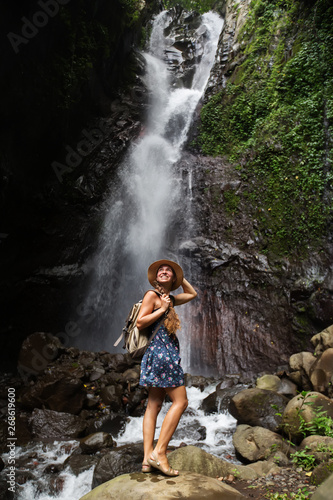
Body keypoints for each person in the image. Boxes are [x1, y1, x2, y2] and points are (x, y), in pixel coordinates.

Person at [137, 259, 197, 477]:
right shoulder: (153, 296)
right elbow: (141, 322)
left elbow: (192, 294)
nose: (163, 271)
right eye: (160, 270)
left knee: (154, 403)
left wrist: (178, 279)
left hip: (158, 355)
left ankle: (146, 460)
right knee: (181, 401)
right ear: (155, 278)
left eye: (168, 271)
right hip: (163, 355)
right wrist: (162, 308)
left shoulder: (170, 298)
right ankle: (159, 453)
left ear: (173, 279)